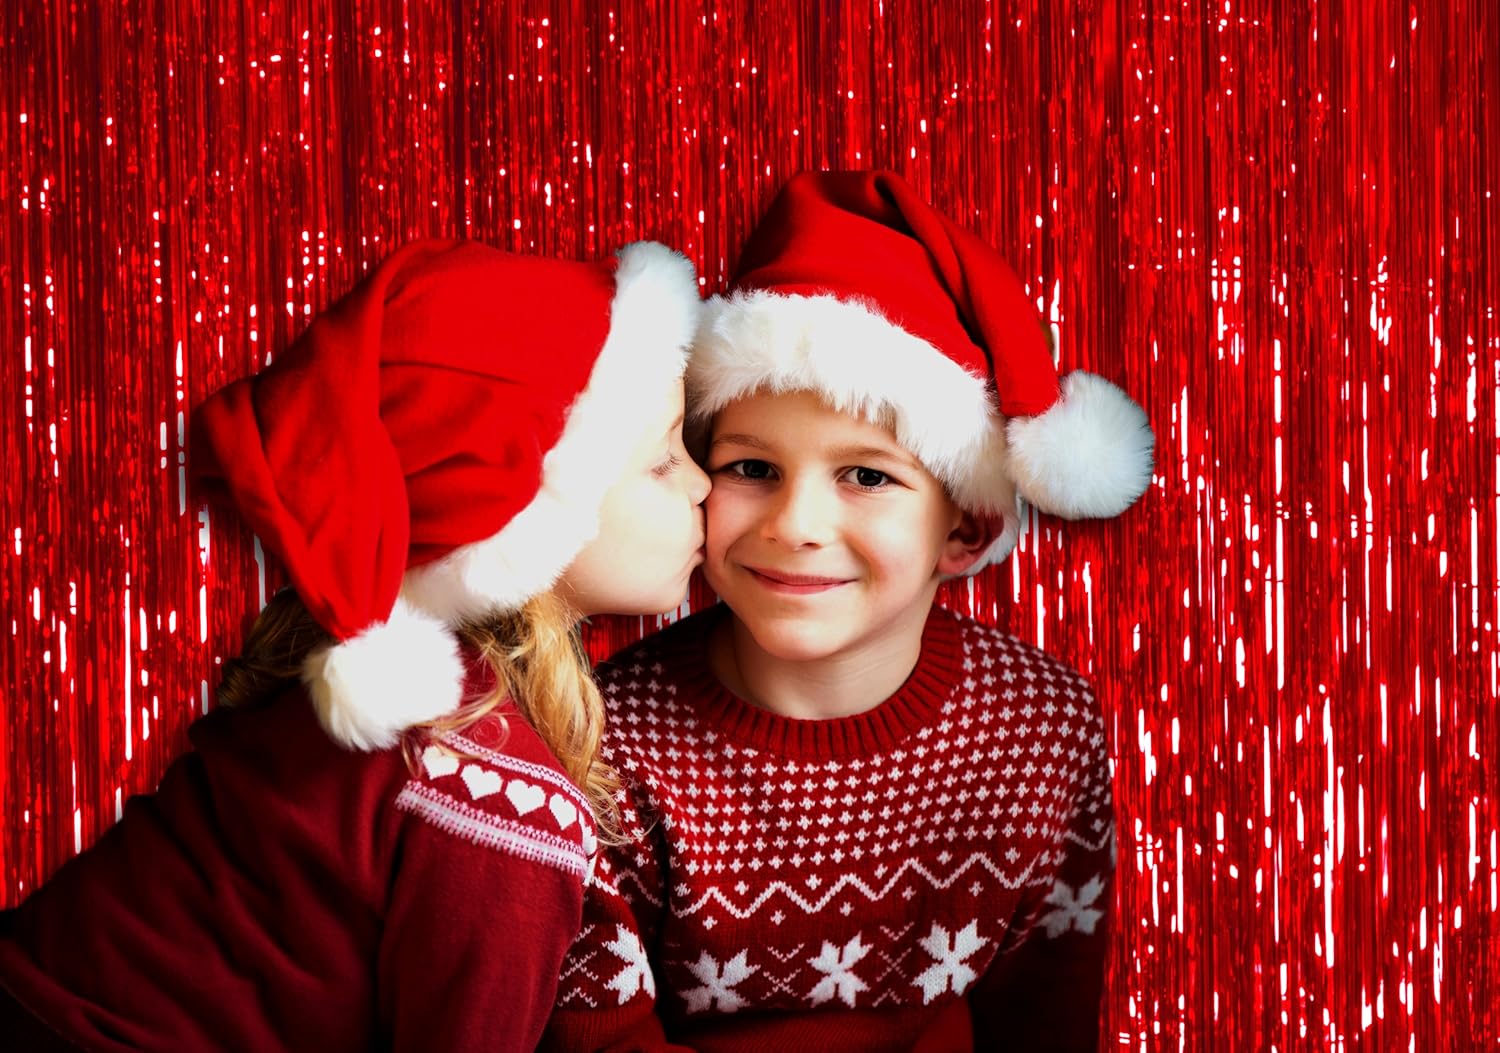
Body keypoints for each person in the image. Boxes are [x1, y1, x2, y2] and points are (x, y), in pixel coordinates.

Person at [0, 237, 711, 1051]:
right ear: (520, 509)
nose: (701, 482)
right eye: (661, 461)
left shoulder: (366, 690)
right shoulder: (495, 791)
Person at [540, 172, 1154, 1051]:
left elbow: (1046, 1008)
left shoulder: (1041, 730)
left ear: (966, 528)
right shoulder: (606, 743)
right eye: (752, 468)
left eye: (866, 476)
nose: (795, 525)